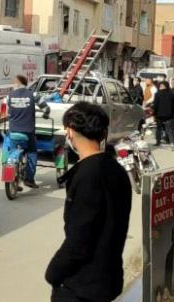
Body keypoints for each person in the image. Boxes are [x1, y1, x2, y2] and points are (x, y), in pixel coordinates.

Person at [45, 102, 132, 302]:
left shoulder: (87, 176)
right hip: (107, 278)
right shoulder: (115, 170)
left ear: (70, 132)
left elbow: (79, 242)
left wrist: (53, 272)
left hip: (83, 287)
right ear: (103, 134)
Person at [4, 75, 49, 189]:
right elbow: (46, 108)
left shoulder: (8, 96)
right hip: (28, 132)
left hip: (13, 131)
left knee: (11, 151)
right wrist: (45, 114)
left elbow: (5, 112)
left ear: (17, 84)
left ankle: (11, 175)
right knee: (32, 152)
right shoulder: (33, 95)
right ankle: (29, 179)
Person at [153, 81, 174, 150]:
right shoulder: (171, 94)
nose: (160, 87)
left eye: (161, 85)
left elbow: (155, 105)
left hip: (159, 114)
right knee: (169, 129)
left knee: (158, 128)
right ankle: (172, 143)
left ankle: (158, 141)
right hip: (169, 114)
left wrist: (154, 114)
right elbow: (173, 104)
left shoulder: (157, 94)